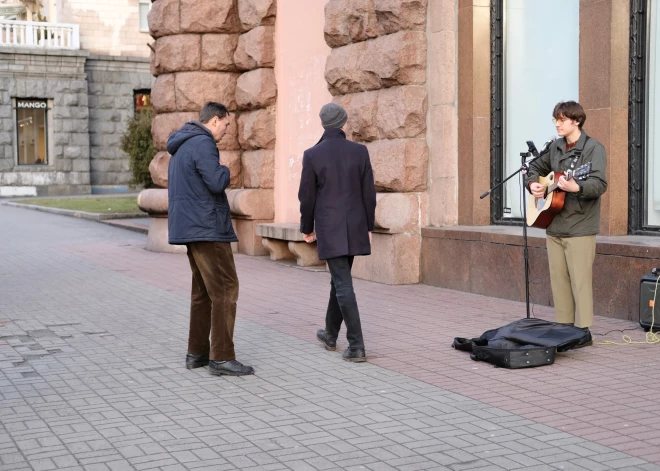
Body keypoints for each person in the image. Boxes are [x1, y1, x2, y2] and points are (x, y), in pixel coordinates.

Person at [167, 102, 254, 376]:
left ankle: (198, 353)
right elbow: (216, 182)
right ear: (215, 120)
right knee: (226, 289)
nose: (227, 130)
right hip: (207, 228)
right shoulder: (203, 144)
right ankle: (222, 357)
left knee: (203, 293)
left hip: (191, 227)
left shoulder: (181, 145)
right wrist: (227, 170)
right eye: (226, 124)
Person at [298, 103, 377, 362]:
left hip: (329, 228)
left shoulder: (312, 154)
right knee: (339, 280)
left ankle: (356, 346)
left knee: (342, 283)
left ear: (323, 124)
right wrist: (368, 226)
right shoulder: (360, 151)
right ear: (344, 123)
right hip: (354, 226)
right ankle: (330, 334)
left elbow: (306, 197)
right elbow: (369, 194)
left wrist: (306, 227)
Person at [525, 101, 607, 335]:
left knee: (579, 282)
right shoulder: (555, 147)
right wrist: (532, 184)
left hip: (580, 226)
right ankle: (564, 328)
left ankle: (583, 332)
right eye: (555, 120)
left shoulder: (593, 148)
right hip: (554, 224)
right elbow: (534, 167)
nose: (557, 124)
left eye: (562, 120)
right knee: (559, 281)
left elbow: (599, 184)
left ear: (576, 121)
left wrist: (576, 186)